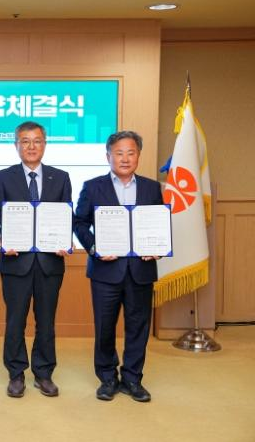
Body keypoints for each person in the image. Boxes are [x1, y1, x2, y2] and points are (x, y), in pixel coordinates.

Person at [73, 130, 163, 403]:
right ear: (108, 156)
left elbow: (157, 223)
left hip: (140, 270)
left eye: (130, 152)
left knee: (138, 327)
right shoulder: (93, 186)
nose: (125, 158)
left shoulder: (151, 188)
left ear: (138, 156)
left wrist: (157, 248)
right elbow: (79, 222)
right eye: (119, 153)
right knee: (104, 327)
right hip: (105, 270)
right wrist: (94, 247)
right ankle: (108, 378)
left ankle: (133, 379)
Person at [0, 121, 72, 398]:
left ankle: (44, 373)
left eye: (37, 141)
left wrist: (65, 239)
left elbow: (66, 216)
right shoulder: (4, 177)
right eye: (25, 141)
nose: (31, 146)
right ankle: (15, 373)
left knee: (46, 321)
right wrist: (2, 236)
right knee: (15, 321)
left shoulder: (61, 177)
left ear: (45, 144)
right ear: (16, 145)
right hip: (15, 262)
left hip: (50, 262)